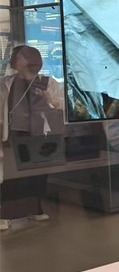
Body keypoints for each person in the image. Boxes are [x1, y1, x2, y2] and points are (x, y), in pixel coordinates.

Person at [0, 45, 64, 230]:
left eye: (19, 56)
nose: (15, 60)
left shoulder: (48, 82)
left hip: (40, 134)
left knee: (38, 175)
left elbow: (63, 106)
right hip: (14, 133)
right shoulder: (6, 83)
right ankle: (6, 213)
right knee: (12, 175)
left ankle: (35, 209)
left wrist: (51, 100)